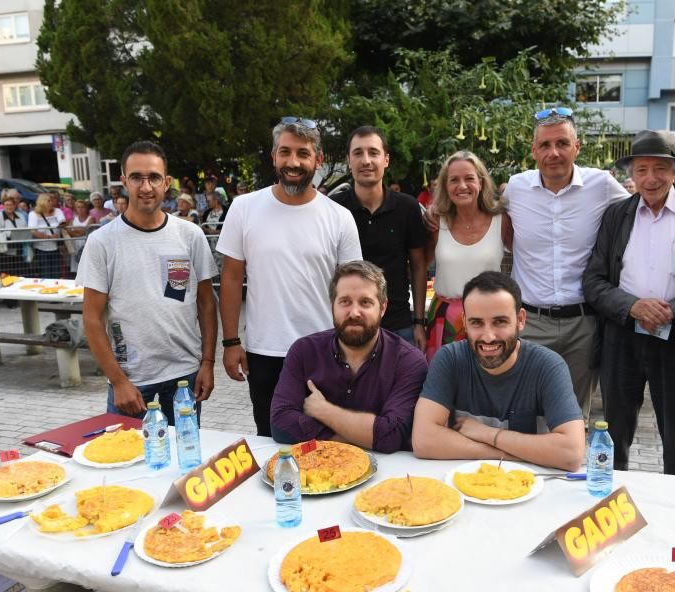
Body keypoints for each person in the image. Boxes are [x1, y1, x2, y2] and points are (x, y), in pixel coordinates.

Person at [501, 108, 675, 419]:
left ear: (577, 147)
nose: (554, 153)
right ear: (533, 150)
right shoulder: (516, 188)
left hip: (583, 326)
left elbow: (648, 195)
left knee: (571, 420)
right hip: (530, 323)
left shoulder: (601, 184)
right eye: (545, 145)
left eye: (562, 143)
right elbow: (474, 206)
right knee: (522, 414)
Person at [583, 131, 675, 476]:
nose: (650, 178)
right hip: (623, 339)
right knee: (614, 435)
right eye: (641, 169)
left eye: (660, 168)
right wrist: (631, 306)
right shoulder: (617, 215)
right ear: (631, 173)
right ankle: (611, 507)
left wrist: (673, 310)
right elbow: (594, 281)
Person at [217, 117, 362, 436]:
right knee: (271, 439)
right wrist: (230, 342)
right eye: (285, 152)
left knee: (328, 441)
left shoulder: (339, 218)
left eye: (303, 153)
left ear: (318, 160)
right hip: (265, 352)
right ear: (273, 157)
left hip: (326, 352)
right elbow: (230, 278)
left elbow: (354, 289)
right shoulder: (244, 208)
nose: (293, 162)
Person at [78, 140, 218, 424]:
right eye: (137, 178)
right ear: (123, 182)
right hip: (133, 383)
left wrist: (207, 363)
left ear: (166, 182)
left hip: (184, 378)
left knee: (185, 462)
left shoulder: (190, 235)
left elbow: (205, 303)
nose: (146, 187)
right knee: (125, 464)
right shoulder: (102, 241)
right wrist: (118, 381)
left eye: (154, 177)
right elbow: (92, 318)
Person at [412, 271, 586, 471]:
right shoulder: (450, 359)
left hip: (532, 485)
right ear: (465, 322)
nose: (488, 337)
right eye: (476, 323)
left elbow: (571, 454)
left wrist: (488, 434)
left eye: (500, 322)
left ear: (520, 319)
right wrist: (507, 454)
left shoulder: (548, 366)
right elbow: (423, 439)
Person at [270, 261, 427, 451]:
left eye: (365, 302)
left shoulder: (409, 362)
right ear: (332, 306)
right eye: (345, 302)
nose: (354, 312)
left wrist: (324, 411)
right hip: (317, 471)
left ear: (383, 308)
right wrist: (362, 437)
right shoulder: (303, 351)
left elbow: (391, 436)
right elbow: (280, 424)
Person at [331, 126, 428, 350]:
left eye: (373, 153)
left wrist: (419, 322)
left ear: (386, 159)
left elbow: (418, 265)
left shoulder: (407, 207)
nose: (366, 160)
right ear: (348, 160)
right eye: (358, 153)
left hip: (398, 324)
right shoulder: (333, 208)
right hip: (348, 324)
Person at [424, 151, 506, 361]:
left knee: (488, 382)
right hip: (445, 319)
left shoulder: (502, 219)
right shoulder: (436, 222)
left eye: (469, 178)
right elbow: (420, 264)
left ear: (481, 181)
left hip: (490, 316)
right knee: (446, 386)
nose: (462, 186)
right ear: (445, 186)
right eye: (454, 180)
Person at [28, 193, 66, 279]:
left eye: (52, 200)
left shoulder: (57, 211)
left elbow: (62, 222)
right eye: (49, 200)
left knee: (56, 273)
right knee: (45, 273)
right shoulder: (33, 214)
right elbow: (33, 231)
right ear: (42, 202)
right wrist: (49, 237)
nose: (52, 202)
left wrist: (62, 225)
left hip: (55, 247)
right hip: (41, 249)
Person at [0, 195, 28, 278]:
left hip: (18, 248)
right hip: (4, 250)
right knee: (5, 274)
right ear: (3, 206)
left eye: (11, 205)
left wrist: (15, 234)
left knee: (18, 273)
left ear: (14, 206)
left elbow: (24, 229)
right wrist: (13, 234)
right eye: (6, 205)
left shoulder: (20, 216)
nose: (9, 207)